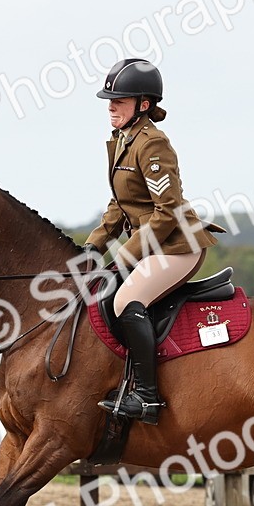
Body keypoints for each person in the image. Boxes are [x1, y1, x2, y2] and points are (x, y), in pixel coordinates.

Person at [84, 58, 225, 424]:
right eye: (110, 100)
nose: (111, 107)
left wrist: (124, 256)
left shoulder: (152, 144)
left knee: (126, 300)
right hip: (151, 246)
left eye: (119, 100)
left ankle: (147, 398)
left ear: (143, 104)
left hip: (178, 246)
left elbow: (168, 211)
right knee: (101, 293)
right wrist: (93, 246)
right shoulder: (122, 140)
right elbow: (120, 204)